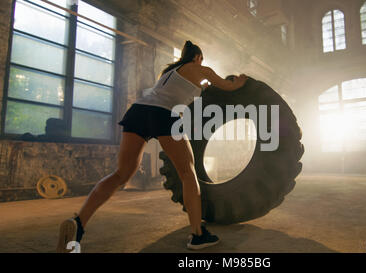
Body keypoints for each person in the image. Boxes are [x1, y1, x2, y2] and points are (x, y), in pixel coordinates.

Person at [56, 40, 248, 252]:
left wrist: (202, 88)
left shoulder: (169, 73)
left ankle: (79, 223)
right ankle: (197, 234)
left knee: (121, 174)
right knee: (187, 172)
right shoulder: (200, 68)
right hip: (164, 114)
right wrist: (240, 80)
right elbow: (229, 86)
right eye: (201, 59)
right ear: (198, 57)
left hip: (138, 111)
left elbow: (187, 92)